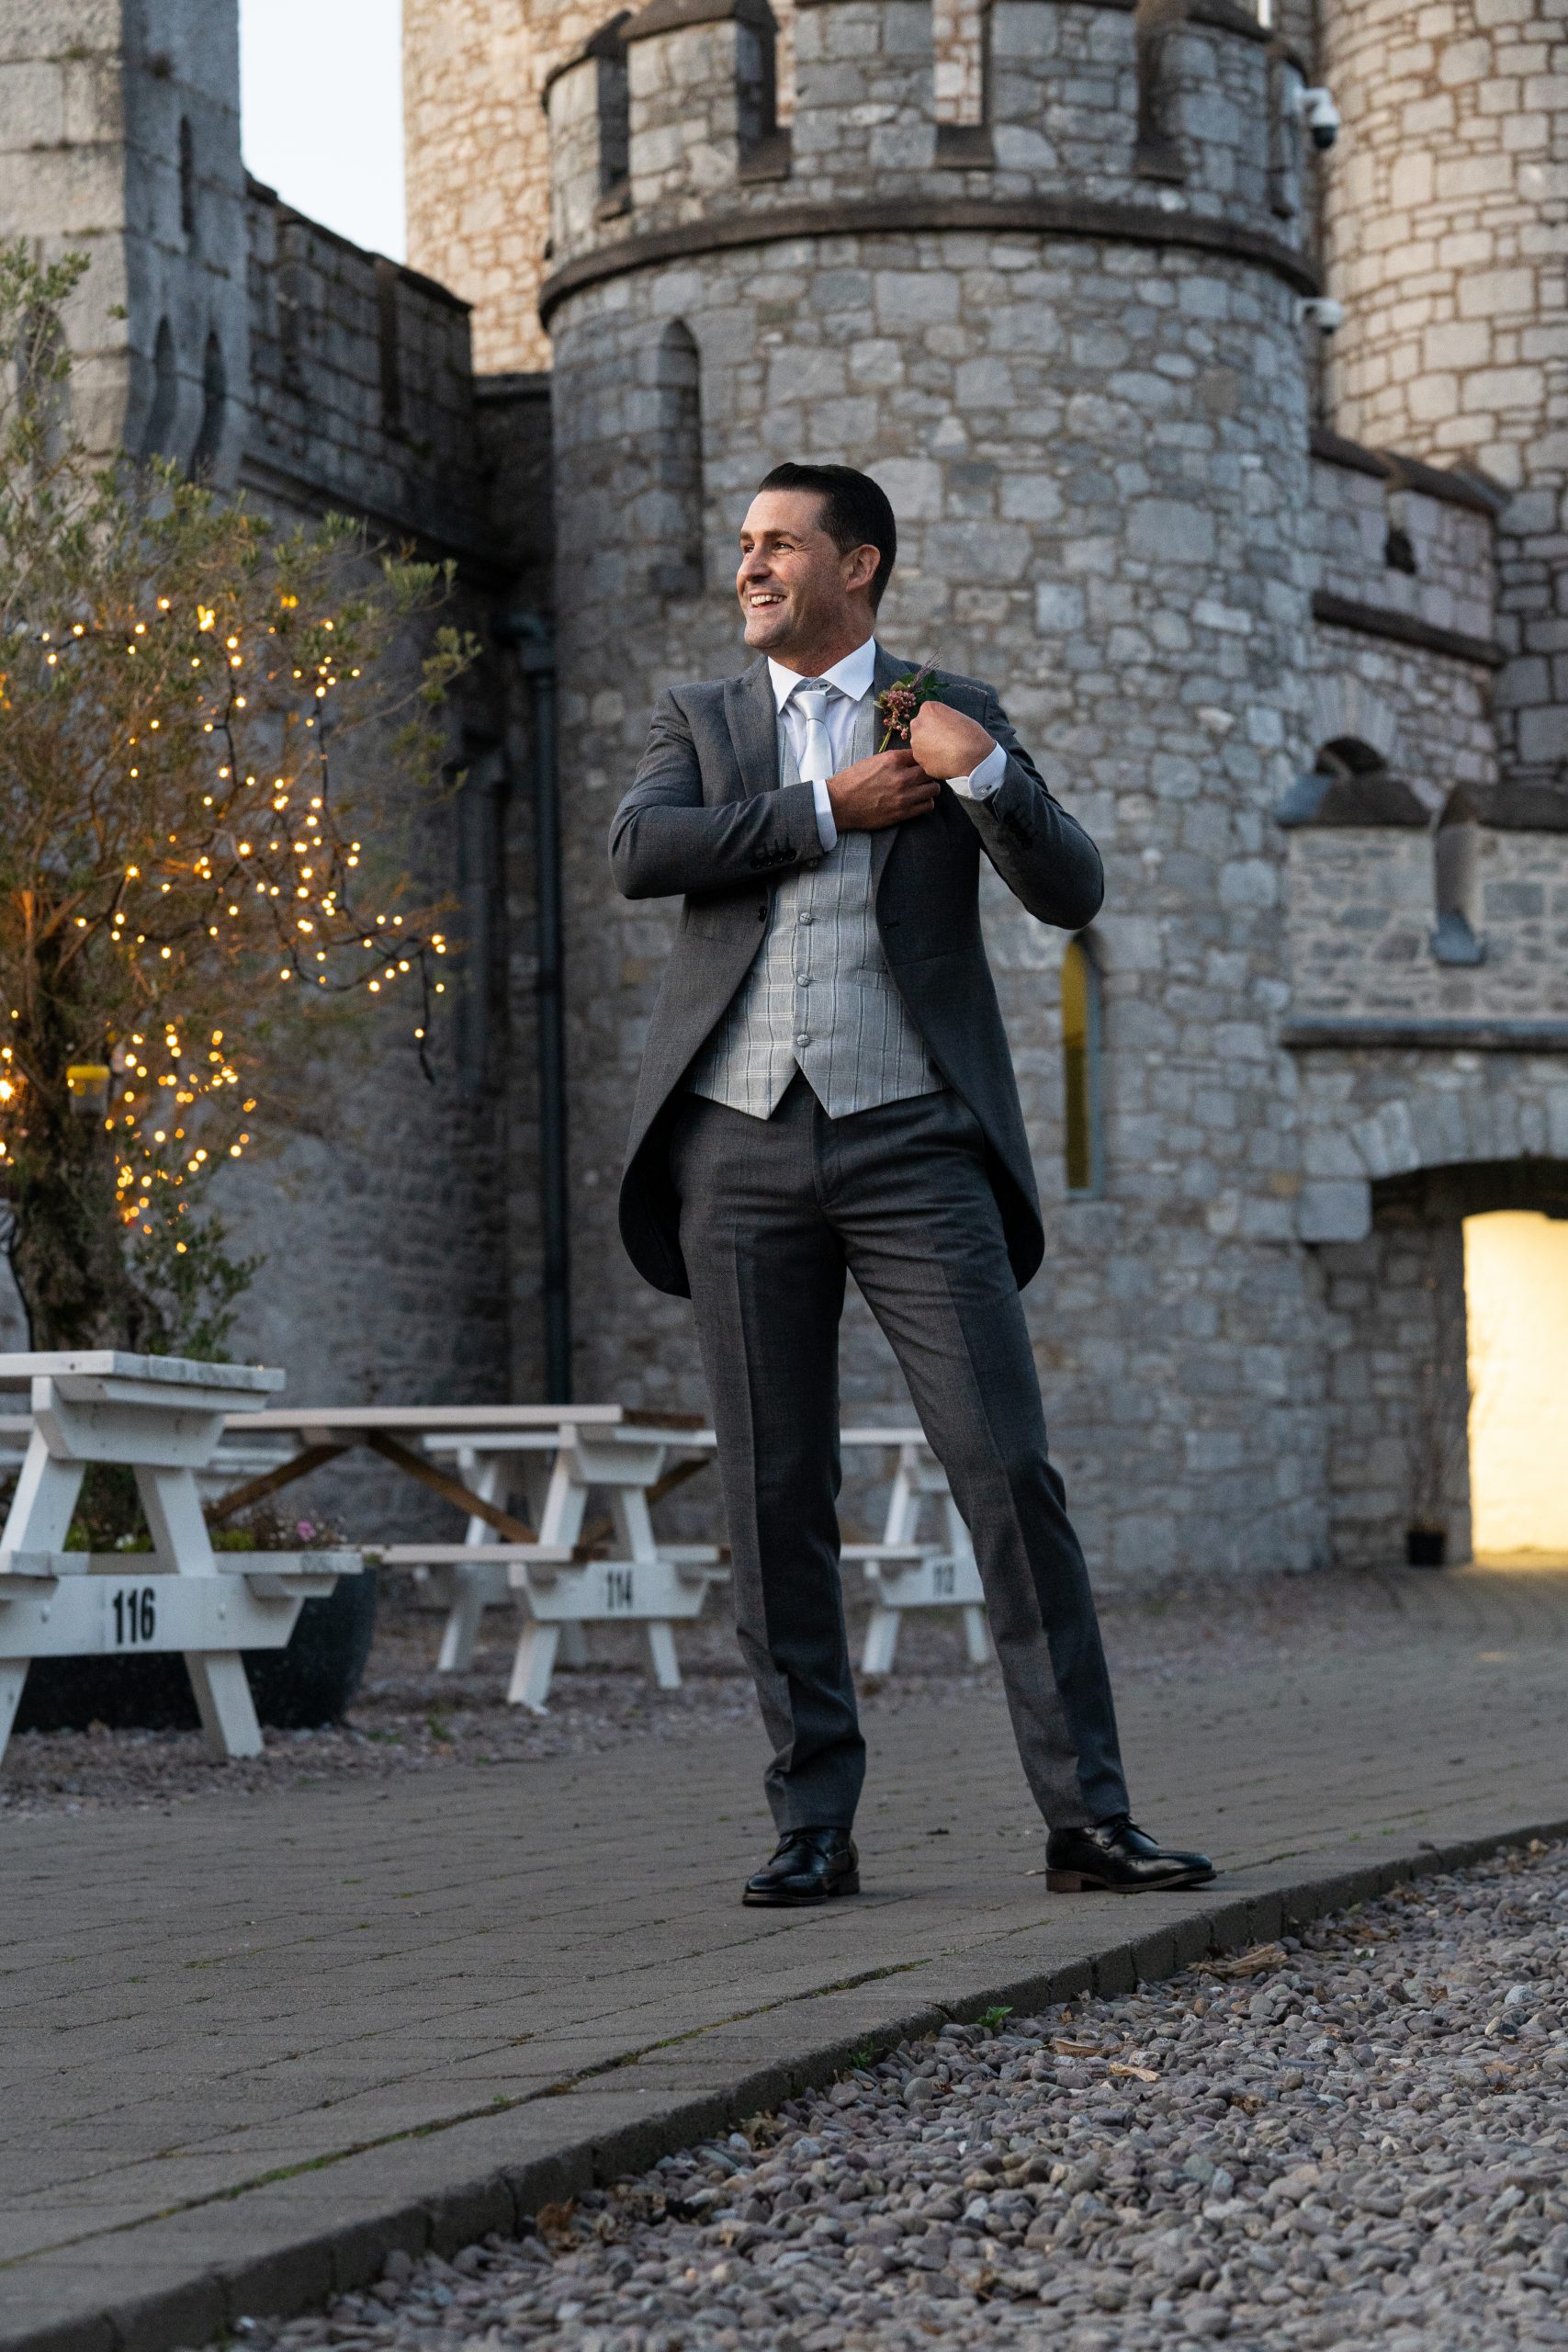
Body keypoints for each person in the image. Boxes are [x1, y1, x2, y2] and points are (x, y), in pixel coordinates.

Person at [610, 461, 1212, 1904]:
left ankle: (1088, 1820)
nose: (751, 566)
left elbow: (1072, 890)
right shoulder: (702, 720)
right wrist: (828, 808)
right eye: (745, 545)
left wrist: (979, 774)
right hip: (735, 1141)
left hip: (915, 1142)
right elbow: (642, 852)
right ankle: (812, 1823)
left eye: (781, 544)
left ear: (859, 564)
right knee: (773, 1492)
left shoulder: (947, 709)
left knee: (1006, 1469)